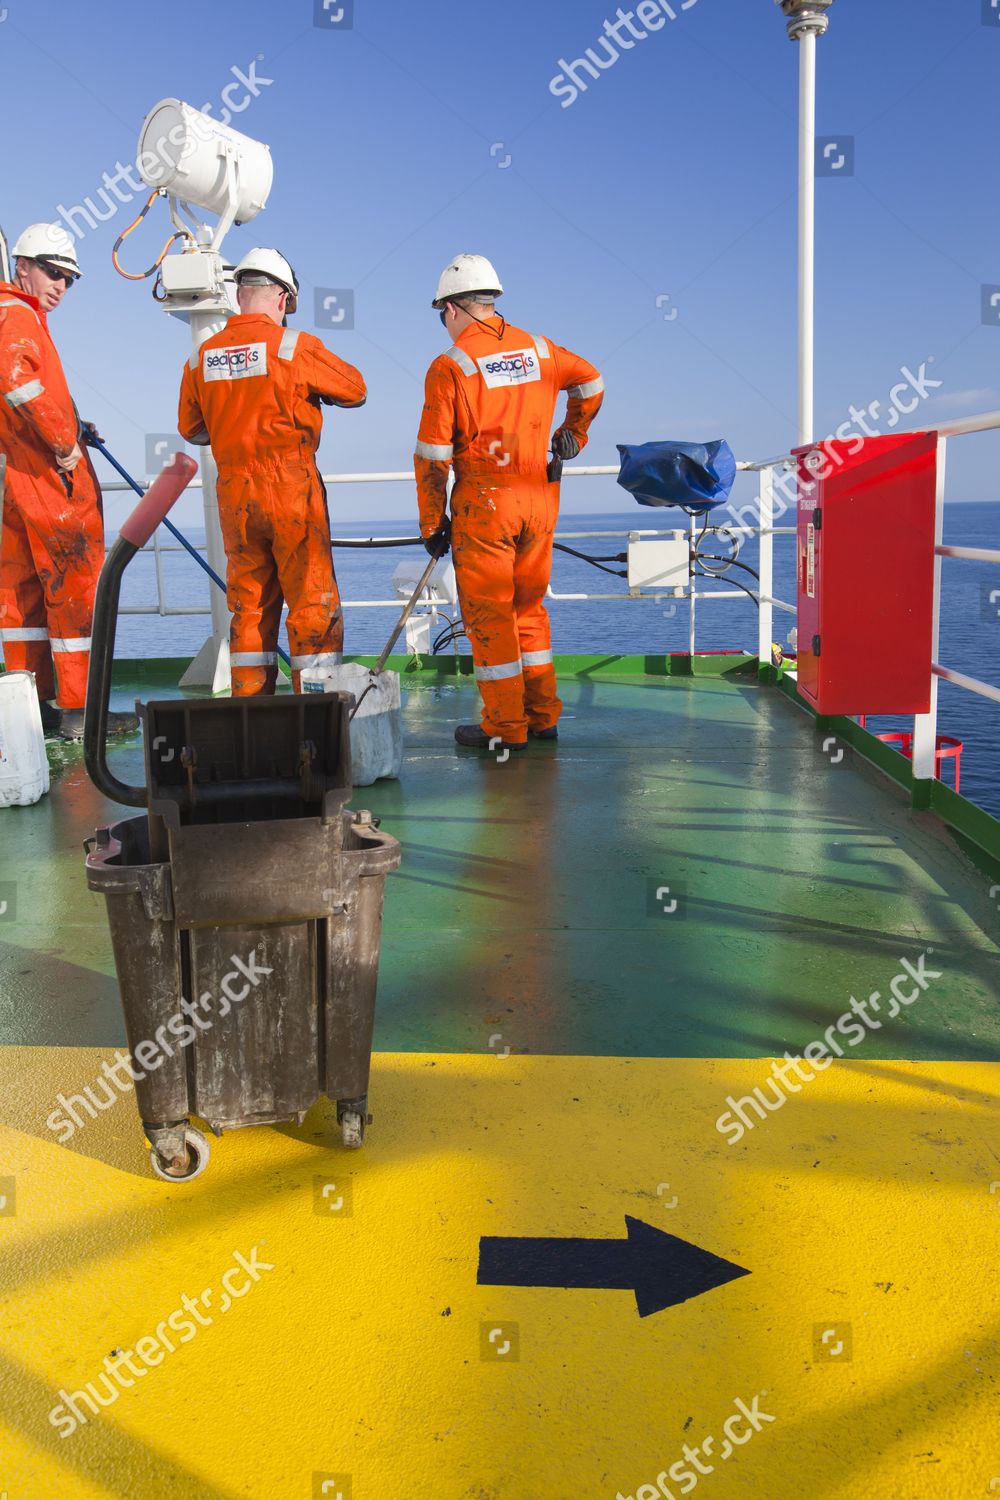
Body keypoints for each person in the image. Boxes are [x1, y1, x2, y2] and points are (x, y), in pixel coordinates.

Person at [414, 254, 604, 752]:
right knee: (529, 610)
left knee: (491, 617)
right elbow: (592, 381)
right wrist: (572, 434)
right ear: (491, 303)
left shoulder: (450, 366)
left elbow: (432, 456)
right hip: (539, 497)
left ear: (455, 309)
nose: (444, 326)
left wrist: (433, 523)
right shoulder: (540, 350)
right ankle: (542, 717)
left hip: (486, 502)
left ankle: (504, 726)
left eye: (442, 315)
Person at [177, 248, 366, 695]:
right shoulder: (294, 346)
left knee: (250, 604)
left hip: (235, 494)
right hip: (290, 488)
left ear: (240, 295)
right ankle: (316, 713)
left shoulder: (201, 356)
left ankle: (249, 709)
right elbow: (356, 389)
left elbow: (191, 428)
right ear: (282, 297)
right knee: (311, 600)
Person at [0, 223, 135, 739]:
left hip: (17, 475)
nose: (60, 285)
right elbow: (18, 381)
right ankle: (81, 713)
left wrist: (74, 422)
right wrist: (65, 443)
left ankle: (30, 706)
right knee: (77, 588)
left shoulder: (18, 315)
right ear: (23, 267)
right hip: (47, 477)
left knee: (23, 595)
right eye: (54, 273)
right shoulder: (19, 315)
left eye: (70, 279)